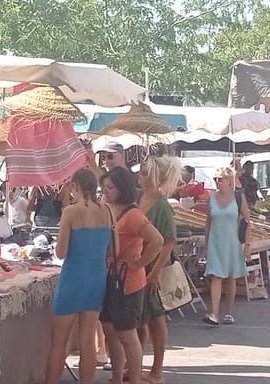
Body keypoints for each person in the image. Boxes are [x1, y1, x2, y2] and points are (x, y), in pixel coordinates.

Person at [46, 167, 114, 384]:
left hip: (73, 278)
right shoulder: (107, 211)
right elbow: (112, 249)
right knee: (87, 341)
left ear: (74, 186)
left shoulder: (71, 212)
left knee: (59, 342)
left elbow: (61, 252)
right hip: (96, 277)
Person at [101, 167, 165, 384]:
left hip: (128, 282)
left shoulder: (133, 215)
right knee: (111, 332)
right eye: (104, 188)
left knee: (127, 334)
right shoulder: (108, 209)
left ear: (122, 188)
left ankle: (135, 379)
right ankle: (117, 378)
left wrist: (139, 262)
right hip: (110, 278)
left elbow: (157, 241)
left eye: (110, 188)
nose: (105, 192)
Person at [138, 157, 180, 384]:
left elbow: (169, 242)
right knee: (141, 319)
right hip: (138, 265)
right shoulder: (138, 199)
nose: (141, 177)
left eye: (145, 173)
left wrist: (154, 272)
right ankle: (137, 365)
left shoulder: (162, 205)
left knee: (156, 318)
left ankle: (157, 369)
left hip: (153, 268)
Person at [203, 167, 248, 326]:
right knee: (216, 276)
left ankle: (228, 312)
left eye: (220, 179)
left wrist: (247, 245)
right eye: (215, 178)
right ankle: (214, 313)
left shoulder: (238, 197)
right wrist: (206, 244)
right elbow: (208, 222)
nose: (217, 181)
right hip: (215, 242)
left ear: (229, 181)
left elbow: (247, 221)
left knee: (231, 277)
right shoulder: (211, 198)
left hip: (232, 242)